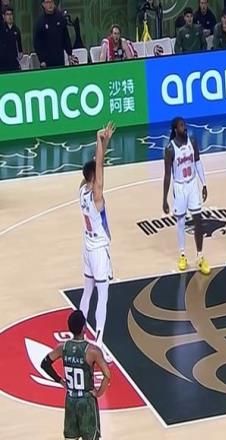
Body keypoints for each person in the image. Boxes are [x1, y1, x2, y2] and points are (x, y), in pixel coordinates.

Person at [40, 310, 111, 440]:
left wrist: (60, 381)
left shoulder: (62, 347)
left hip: (70, 400)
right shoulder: (92, 351)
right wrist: (99, 393)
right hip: (86, 402)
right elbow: (107, 374)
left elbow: (45, 364)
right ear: (84, 328)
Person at [79, 122, 116, 363]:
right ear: (94, 179)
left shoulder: (81, 189)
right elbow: (99, 167)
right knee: (102, 296)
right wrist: (98, 138)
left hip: (86, 245)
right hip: (98, 250)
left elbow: (97, 165)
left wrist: (104, 142)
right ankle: (99, 343)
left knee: (87, 291)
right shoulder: (96, 197)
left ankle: (79, 335)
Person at [163, 117, 210, 275]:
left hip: (192, 184)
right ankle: (182, 255)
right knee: (181, 221)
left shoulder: (193, 141)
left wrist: (204, 184)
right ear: (175, 129)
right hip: (179, 187)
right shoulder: (170, 149)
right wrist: (164, 199)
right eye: (182, 125)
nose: (185, 127)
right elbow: (167, 175)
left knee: (198, 220)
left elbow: (198, 163)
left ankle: (200, 256)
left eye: (185, 124)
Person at [33, 0, 72, 68]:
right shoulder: (40, 22)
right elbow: (37, 43)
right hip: (46, 60)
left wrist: (69, 53)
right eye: (47, 2)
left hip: (60, 57)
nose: (50, 4)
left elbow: (66, 37)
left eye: (51, 2)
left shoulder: (60, 18)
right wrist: (42, 60)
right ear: (43, 4)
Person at [0, 7, 22, 72]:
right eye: (7, 14)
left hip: (14, 62)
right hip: (3, 63)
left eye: (11, 14)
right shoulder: (1, 30)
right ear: (3, 16)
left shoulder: (16, 30)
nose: (10, 16)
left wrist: (19, 57)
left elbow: (20, 48)